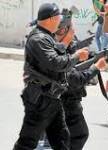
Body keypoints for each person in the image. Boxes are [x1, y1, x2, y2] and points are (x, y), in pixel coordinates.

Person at [13, 3, 89, 150]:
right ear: (51, 19)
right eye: (58, 18)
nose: (60, 21)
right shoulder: (39, 39)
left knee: (61, 140)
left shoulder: (47, 37)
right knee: (27, 142)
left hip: (52, 98)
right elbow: (55, 62)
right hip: (39, 100)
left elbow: (58, 53)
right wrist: (76, 57)